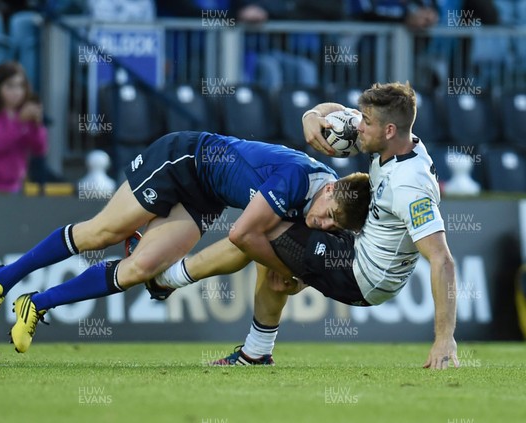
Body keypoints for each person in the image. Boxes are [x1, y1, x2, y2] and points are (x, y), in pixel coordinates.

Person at [0, 130, 370, 352]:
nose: (321, 223)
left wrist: (294, 274)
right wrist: (291, 271)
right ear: (332, 189)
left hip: (205, 197)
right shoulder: (297, 181)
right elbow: (242, 237)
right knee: (102, 233)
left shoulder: (319, 203)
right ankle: (0, 280)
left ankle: (35, 305)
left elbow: (259, 249)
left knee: (139, 270)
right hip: (181, 159)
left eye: (332, 227)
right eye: (328, 214)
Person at [150, 82, 460, 370]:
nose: (358, 125)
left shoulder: (410, 185)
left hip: (362, 278)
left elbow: (442, 259)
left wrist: (444, 339)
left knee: (260, 229)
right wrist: (312, 115)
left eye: (366, 122)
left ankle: (166, 279)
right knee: (271, 243)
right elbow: (338, 113)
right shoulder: (395, 140)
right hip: (357, 247)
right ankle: (256, 352)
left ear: (389, 129)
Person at [0, 62, 47, 193]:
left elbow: (39, 149)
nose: (16, 92)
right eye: (10, 86)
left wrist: (37, 126)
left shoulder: (24, 114)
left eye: (20, 86)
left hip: (15, 187)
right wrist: (20, 122)